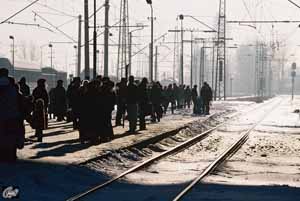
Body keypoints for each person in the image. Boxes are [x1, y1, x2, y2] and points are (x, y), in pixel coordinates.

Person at [0, 68, 26, 162]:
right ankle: (12, 155)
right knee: (13, 136)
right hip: (13, 116)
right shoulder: (13, 87)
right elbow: (20, 102)